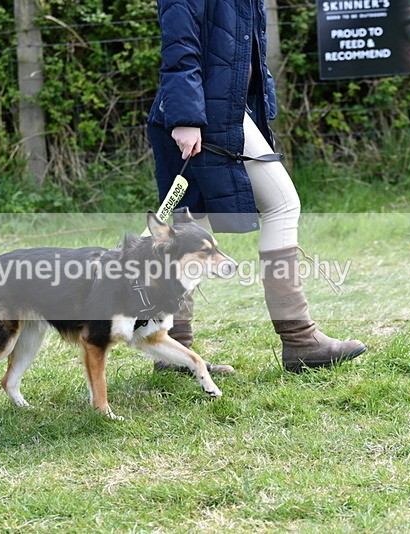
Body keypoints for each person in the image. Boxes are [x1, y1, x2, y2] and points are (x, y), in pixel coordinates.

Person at [147, 0, 366, 372]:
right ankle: (300, 340)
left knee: (184, 225)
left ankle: (173, 352)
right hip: (206, 112)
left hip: (224, 108)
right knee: (282, 203)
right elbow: (180, 44)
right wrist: (186, 117)